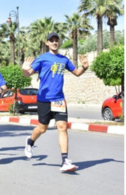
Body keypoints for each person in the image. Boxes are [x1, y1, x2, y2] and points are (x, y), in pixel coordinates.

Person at [22, 32, 89, 172]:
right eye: (51, 40)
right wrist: (24, 68)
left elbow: (76, 72)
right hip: (44, 100)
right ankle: (30, 141)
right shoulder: (42, 58)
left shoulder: (64, 59)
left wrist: (84, 67)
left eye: (56, 40)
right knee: (42, 128)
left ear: (59, 43)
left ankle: (65, 160)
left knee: (63, 127)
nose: (54, 42)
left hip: (59, 99)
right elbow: (28, 73)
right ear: (47, 43)